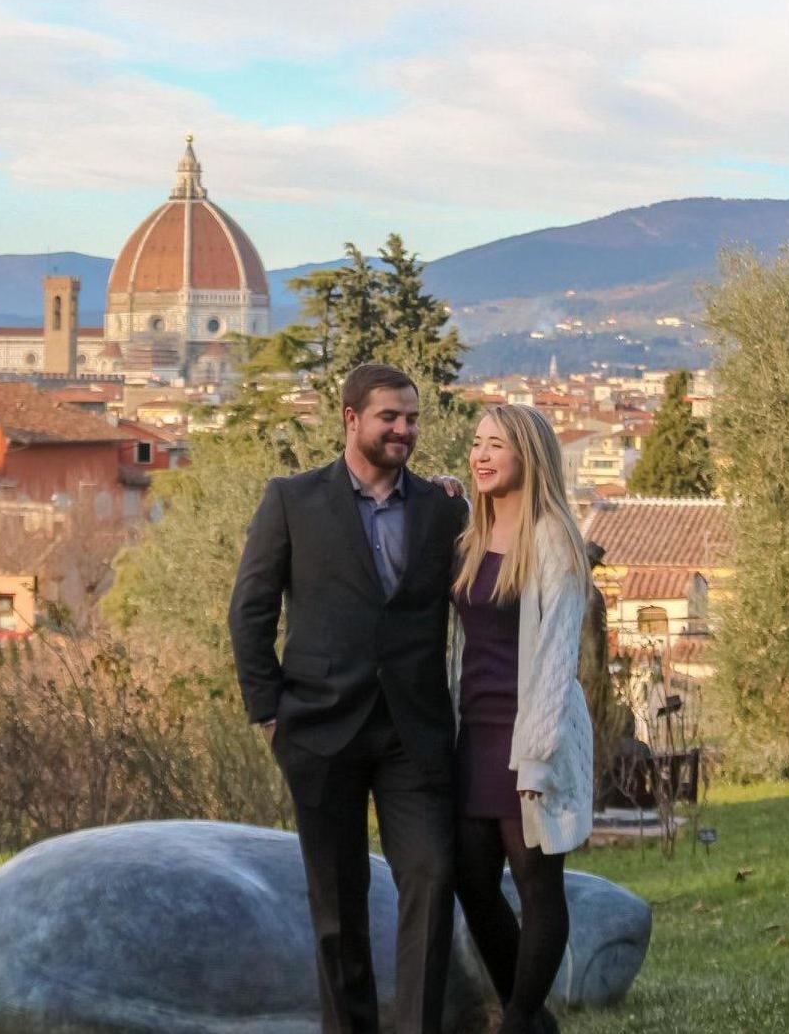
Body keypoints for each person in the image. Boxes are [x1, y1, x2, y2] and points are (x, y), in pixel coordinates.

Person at [228, 362, 469, 1034]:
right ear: (350, 418)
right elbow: (249, 610)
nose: (404, 429)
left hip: (412, 736)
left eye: (412, 418)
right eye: (390, 416)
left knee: (430, 873)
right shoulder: (291, 500)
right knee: (336, 906)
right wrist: (268, 712)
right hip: (317, 730)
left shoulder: (442, 507)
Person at [448, 404, 593, 1034]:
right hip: (472, 735)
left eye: (496, 446)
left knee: (537, 885)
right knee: (473, 881)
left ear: (527, 457)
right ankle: (530, 1020)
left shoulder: (554, 539)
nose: (481, 455)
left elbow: (559, 655)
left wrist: (536, 754)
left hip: (529, 734)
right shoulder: (472, 534)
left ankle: (520, 1019)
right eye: (477, 444)